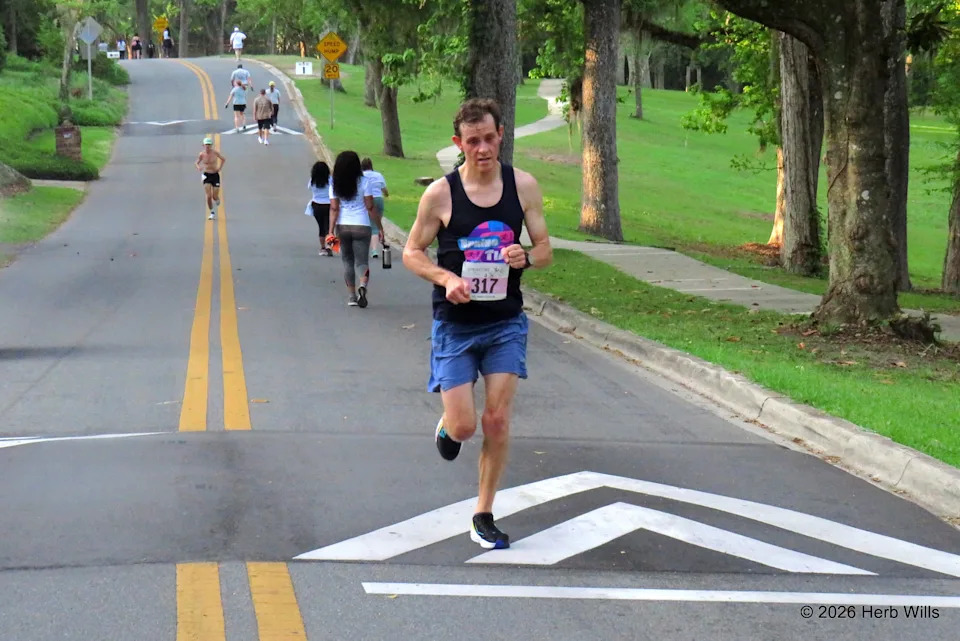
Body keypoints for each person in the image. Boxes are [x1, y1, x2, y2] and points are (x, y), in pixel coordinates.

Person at [402, 98, 553, 550]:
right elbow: (411, 251)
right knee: (467, 426)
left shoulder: (522, 186)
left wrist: (526, 255)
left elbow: (545, 249)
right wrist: (445, 277)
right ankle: (449, 426)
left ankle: (483, 513)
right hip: (455, 324)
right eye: (473, 142)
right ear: (458, 144)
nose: (483, 149)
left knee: (498, 420)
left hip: (505, 321)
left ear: (500, 135)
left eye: (489, 138)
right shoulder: (441, 195)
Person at [328, 151, 383, 308]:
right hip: (362, 226)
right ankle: (363, 286)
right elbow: (370, 207)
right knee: (361, 262)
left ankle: (351, 296)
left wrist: (330, 230)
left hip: (343, 226)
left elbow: (334, 208)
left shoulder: (334, 183)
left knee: (347, 261)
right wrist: (379, 227)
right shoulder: (364, 182)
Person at [360, 157, 389, 258]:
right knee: (376, 225)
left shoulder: (361, 176)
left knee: (367, 224)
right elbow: (385, 190)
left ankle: (369, 248)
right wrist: (386, 194)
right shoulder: (378, 175)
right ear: (371, 166)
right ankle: (375, 249)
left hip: (367, 199)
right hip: (378, 199)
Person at [195, 137, 226, 220]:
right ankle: (212, 212)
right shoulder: (201, 154)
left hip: (215, 175)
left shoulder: (215, 153)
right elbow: (197, 162)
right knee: (208, 196)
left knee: (214, 196)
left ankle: (216, 199)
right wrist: (198, 167)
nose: (207, 146)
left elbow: (223, 159)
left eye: (209, 145)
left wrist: (219, 168)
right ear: (203, 145)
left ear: (211, 145)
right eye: (206, 145)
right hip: (206, 175)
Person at [307, 161, 333, 256]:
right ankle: (329, 246)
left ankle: (322, 248)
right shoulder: (330, 180)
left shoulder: (313, 180)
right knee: (329, 227)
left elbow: (309, 188)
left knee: (321, 227)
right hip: (329, 205)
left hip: (316, 205)